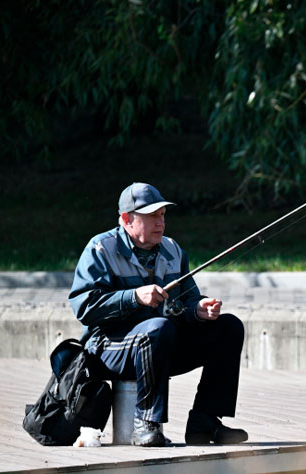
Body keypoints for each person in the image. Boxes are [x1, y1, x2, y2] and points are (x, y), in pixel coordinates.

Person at [69, 182, 248, 447]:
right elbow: (84, 307)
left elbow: (187, 301)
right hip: (107, 349)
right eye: (152, 215)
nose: (160, 222)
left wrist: (199, 310)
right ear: (127, 219)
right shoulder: (100, 249)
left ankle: (204, 422)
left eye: (163, 214)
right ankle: (146, 424)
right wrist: (133, 297)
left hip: (161, 343)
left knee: (229, 326)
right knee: (157, 329)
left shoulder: (173, 250)